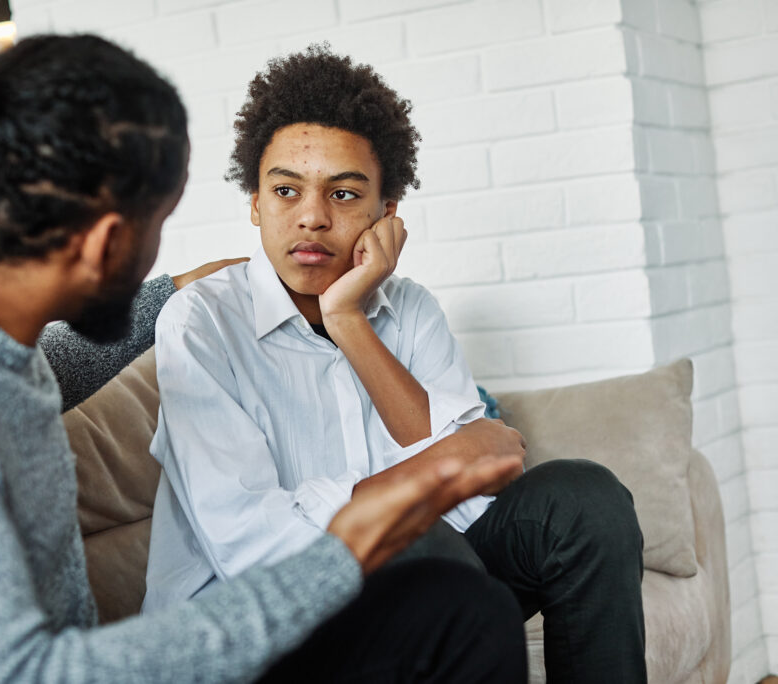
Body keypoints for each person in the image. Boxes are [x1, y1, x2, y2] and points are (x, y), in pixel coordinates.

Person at [0, 25, 526, 683]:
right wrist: (346, 548)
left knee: (456, 613)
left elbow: (74, 350)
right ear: (105, 240)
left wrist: (165, 292)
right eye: (160, 224)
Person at [142, 45, 648, 683]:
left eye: (345, 193)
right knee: (419, 545)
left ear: (387, 213)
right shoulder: (202, 323)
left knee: (583, 500)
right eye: (285, 190)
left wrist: (349, 319)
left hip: (412, 587)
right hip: (254, 627)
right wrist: (432, 475)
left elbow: (480, 484)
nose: (312, 216)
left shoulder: (406, 310)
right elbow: (252, 544)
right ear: (255, 204)